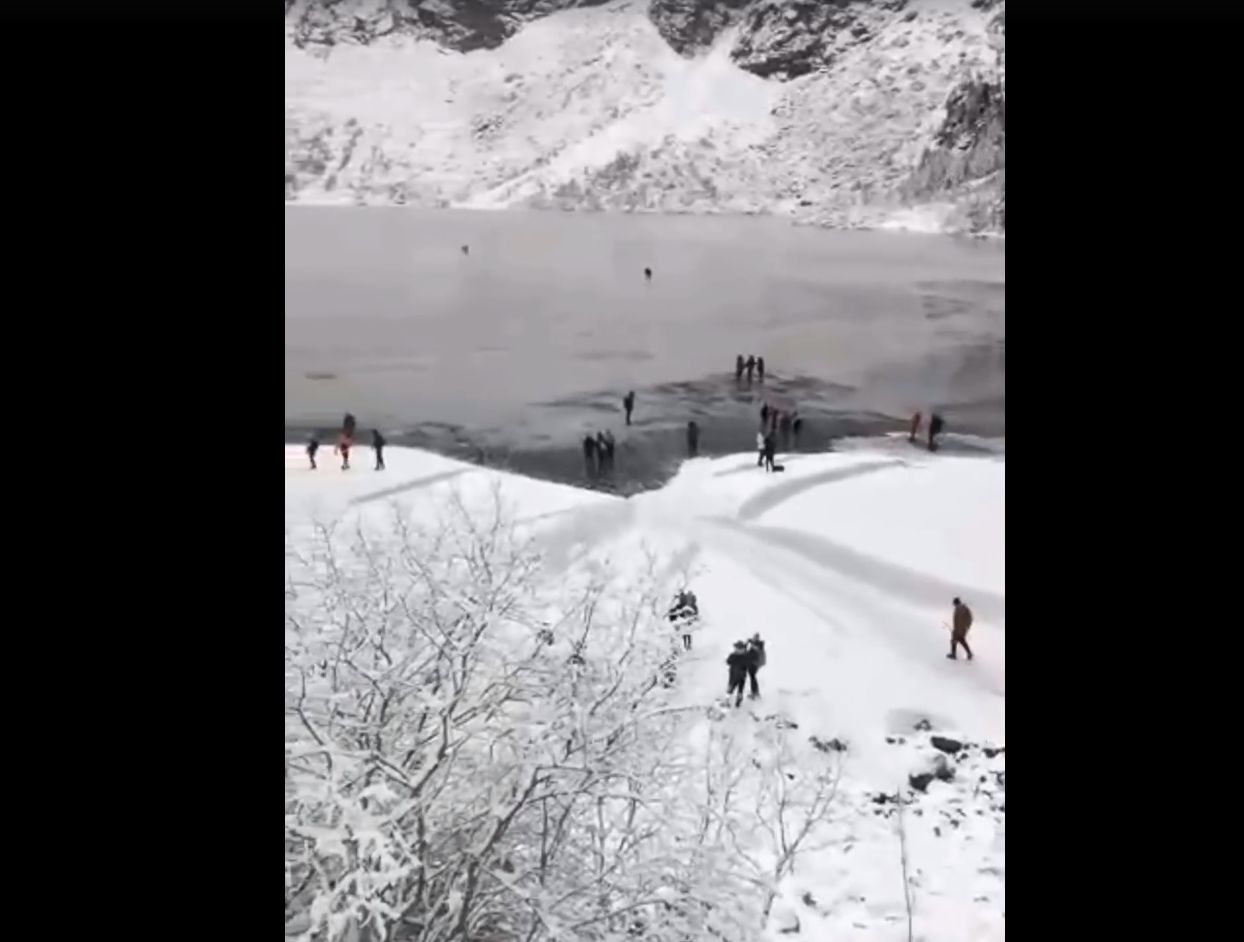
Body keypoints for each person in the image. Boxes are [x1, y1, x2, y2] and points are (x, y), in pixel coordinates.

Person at [726, 641, 750, 708]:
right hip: (742, 675)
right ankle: (738, 703)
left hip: (734, 674)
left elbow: (728, 662)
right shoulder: (746, 656)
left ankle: (727, 701)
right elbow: (748, 665)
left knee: (731, 687)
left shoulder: (733, 655)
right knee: (740, 688)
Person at [745, 633, 766, 699]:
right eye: (754, 637)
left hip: (755, 663)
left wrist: (750, 643)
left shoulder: (760, 644)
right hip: (751, 663)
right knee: (752, 677)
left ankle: (755, 692)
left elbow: (757, 649)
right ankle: (755, 692)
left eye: (756, 637)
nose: (754, 638)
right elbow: (747, 650)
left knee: (752, 676)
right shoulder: (753, 644)